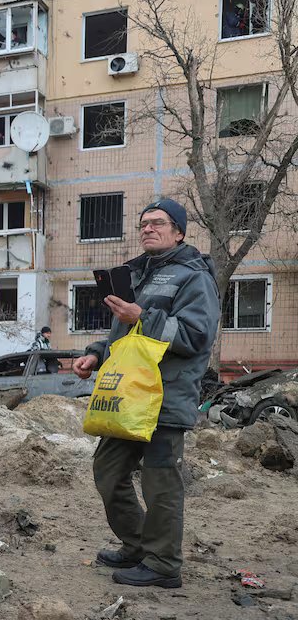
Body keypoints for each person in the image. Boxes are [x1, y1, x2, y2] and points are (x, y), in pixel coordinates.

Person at [72, 198, 219, 589]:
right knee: (108, 472)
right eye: (143, 224)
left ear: (179, 232)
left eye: (158, 223)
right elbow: (129, 335)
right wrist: (95, 353)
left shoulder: (193, 277)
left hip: (166, 396)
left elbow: (196, 336)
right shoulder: (140, 275)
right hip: (129, 396)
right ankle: (138, 544)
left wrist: (143, 317)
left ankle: (163, 564)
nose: (148, 229)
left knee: (160, 484)